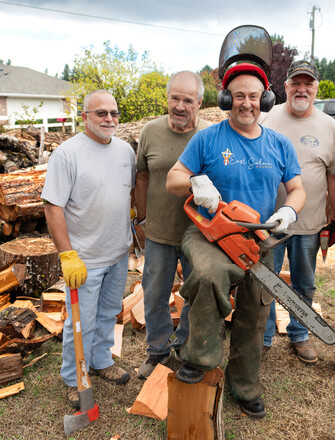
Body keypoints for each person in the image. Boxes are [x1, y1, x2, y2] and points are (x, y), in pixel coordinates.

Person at [166, 63, 306, 418]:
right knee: (210, 274)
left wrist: (288, 212)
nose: (247, 103)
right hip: (210, 232)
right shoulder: (208, 138)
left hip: (257, 236)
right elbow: (173, 178)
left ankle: (244, 386)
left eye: (254, 97)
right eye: (239, 96)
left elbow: (297, 189)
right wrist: (196, 184)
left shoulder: (279, 144)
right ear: (228, 99)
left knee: (255, 313)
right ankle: (200, 356)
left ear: (266, 100)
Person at [42, 90, 135, 408]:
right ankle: (73, 377)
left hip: (117, 253)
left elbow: (128, 195)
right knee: (80, 322)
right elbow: (53, 206)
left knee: (108, 314)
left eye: (114, 113)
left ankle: (100, 361)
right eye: (101, 113)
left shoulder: (125, 151)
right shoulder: (67, 154)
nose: (109, 119)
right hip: (85, 259)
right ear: (85, 117)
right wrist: (67, 255)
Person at [259, 60, 335, 363]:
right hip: (271, 223)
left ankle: (300, 333)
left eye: (308, 83)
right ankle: (264, 334)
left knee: (303, 282)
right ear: (285, 86)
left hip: (308, 223)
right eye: (296, 83)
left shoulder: (330, 127)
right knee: (266, 279)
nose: (302, 89)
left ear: (316, 88)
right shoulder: (267, 120)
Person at [135, 71, 210, 379]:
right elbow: (141, 175)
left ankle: (186, 348)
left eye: (187, 100)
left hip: (199, 234)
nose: (180, 106)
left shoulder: (211, 134)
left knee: (196, 296)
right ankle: (158, 351)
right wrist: (141, 218)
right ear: (167, 99)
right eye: (174, 98)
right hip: (159, 232)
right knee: (153, 296)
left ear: (200, 102)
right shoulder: (150, 131)